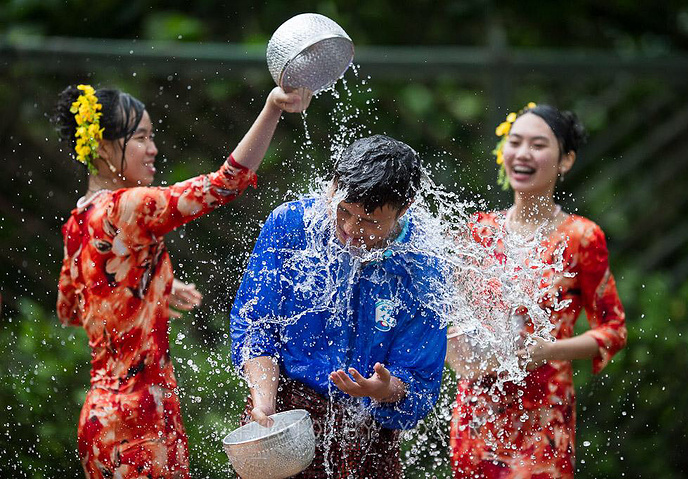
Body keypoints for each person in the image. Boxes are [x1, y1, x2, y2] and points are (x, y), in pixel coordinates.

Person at [54, 83, 311, 478]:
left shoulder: (77, 222)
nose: (153, 148)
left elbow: (71, 309)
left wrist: (145, 285)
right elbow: (223, 184)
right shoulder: (127, 206)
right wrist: (272, 108)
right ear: (104, 148)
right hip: (142, 420)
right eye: (140, 137)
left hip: (100, 419)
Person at [230, 135, 448, 478]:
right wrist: (264, 403)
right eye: (343, 212)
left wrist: (383, 389)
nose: (349, 230)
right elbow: (256, 322)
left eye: (369, 222)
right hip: (284, 416)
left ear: (402, 210)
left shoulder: (422, 268)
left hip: (367, 435)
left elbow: (421, 383)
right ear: (332, 186)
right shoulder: (292, 226)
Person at [447, 104, 627, 478]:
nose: (523, 153)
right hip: (478, 413)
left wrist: (549, 350)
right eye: (515, 142)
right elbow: (453, 313)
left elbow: (613, 331)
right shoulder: (479, 231)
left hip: (544, 418)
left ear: (566, 160)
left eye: (538, 144)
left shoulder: (581, 237)